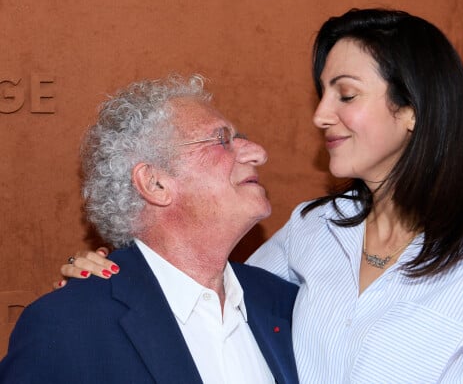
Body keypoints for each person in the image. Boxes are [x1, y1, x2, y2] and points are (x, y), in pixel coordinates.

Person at [55, 8, 463, 383]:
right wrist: (118, 273)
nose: (321, 115)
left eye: (346, 94)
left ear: (412, 109)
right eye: (322, 93)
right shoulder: (312, 230)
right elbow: (207, 291)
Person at [0, 75, 299, 384]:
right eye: (222, 140)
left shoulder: (285, 304)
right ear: (155, 183)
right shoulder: (68, 326)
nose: (258, 152)